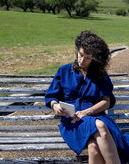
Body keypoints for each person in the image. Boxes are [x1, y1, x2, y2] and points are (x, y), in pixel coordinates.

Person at [45, 30, 129, 164]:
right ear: (77, 50)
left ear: (95, 59)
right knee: (100, 126)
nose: (82, 60)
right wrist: (55, 105)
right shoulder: (64, 71)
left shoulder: (100, 75)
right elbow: (51, 96)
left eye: (88, 58)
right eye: (81, 54)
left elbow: (106, 102)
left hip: (96, 115)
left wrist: (86, 112)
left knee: (93, 147)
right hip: (72, 121)